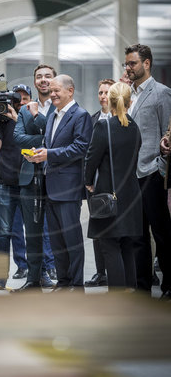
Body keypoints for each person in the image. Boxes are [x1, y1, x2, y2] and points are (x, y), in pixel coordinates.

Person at [29, 74, 93, 291]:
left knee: (72, 240)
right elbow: (50, 146)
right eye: (51, 90)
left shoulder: (80, 115)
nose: (52, 94)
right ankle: (64, 283)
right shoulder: (52, 115)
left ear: (70, 91)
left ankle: (77, 285)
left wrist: (49, 154)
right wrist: (38, 154)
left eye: (57, 90)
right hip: (50, 188)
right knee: (57, 242)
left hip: (68, 189)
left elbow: (80, 148)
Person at [124, 43, 171, 299]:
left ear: (147, 63)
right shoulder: (130, 95)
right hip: (131, 176)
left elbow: (168, 134)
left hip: (152, 174)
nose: (128, 68)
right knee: (137, 236)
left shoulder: (161, 93)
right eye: (127, 64)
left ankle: (169, 286)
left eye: (132, 63)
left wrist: (161, 170)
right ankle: (142, 289)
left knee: (162, 234)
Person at [85, 82, 142, 289]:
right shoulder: (134, 127)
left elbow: (91, 159)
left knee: (109, 246)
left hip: (109, 194)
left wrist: (88, 182)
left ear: (109, 101)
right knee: (127, 246)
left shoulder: (103, 126)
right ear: (130, 102)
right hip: (131, 195)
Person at [13, 64, 57, 291]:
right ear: (35, 81)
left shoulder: (60, 107)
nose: (43, 80)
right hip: (29, 177)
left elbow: (55, 139)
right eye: (39, 77)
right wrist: (40, 140)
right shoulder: (24, 109)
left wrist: (37, 117)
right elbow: (18, 138)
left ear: (55, 80)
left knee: (56, 231)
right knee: (32, 231)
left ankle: (60, 277)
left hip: (55, 177)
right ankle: (34, 279)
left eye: (47, 76)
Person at [0, 83, 32, 290]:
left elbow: (36, 140)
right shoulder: (0, 121)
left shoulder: (32, 118)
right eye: (16, 100)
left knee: (33, 231)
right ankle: (0, 277)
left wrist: (17, 118)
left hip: (28, 184)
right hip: (6, 183)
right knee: (4, 233)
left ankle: (36, 275)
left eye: (23, 99)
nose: (19, 103)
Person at [85, 78, 115, 288]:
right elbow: (89, 152)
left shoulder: (122, 120)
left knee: (116, 229)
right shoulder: (93, 119)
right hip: (94, 184)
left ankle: (117, 272)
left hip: (116, 181)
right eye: (100, 92)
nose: (103, 96)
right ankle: (100, 272)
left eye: (107, 92)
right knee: (97, 228)